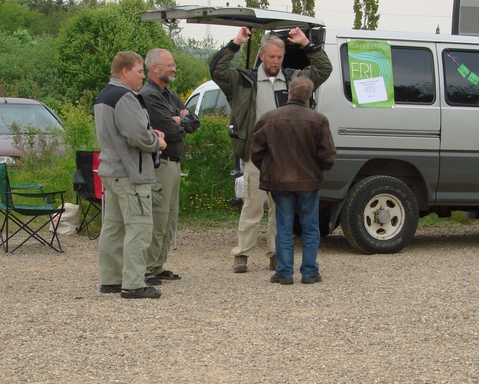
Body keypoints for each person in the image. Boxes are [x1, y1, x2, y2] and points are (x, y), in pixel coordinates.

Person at [210, 26, 333, 273]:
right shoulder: (243, 81)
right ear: (262, 56)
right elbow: (217, 70)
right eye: (271, 57)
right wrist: (235, 43)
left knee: (281, 209)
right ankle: (242, 253)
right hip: (256, 154)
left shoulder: (293, 79)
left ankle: (276, 254)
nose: (275, 61)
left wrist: (306, 43)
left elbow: (323, 69)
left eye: (279, 57)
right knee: (252, 204)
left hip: (285, 157)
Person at [94, 51, 167, 299]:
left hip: (111, 170)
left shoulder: (105, 95)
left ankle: (111, 279)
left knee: (113, 227)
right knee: (139, 227)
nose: (142, 76)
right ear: (125, 71)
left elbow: (121, 130)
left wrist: (146, 133)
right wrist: (157, 141)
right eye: (139, 71)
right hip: (130, 174)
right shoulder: (125, 96)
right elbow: (136, 136)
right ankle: (134, 283)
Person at [251, 76, 336, 285]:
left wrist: (270, 169)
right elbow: (328, 156)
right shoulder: (319, 120)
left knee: (284, 227)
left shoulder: (268, 118)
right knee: (310, 227)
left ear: (288, 92)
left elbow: (256, 153)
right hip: (309, 181)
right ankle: (309, 272)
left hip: (280, 181)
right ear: (308, 97)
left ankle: (284, 271)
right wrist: (317, 168)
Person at [140, 49, 200, 284]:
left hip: (174, 164)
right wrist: (179, 122)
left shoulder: (169, 95)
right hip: (160, 165)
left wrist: (181, 120)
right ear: (155, 68)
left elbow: (194, 122)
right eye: (170, 65)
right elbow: (169, 130)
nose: (174, 68)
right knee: (158, 216)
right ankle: (147, 267)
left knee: (170, 217)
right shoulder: (149, 95)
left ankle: (157, 265)